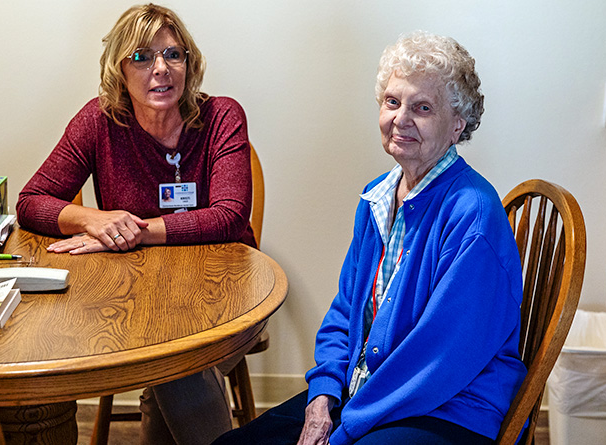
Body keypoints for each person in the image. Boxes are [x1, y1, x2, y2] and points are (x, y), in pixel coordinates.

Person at [213, 31, 527, 445]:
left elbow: (439, 360)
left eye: (423, 108)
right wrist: (323, 394)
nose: (400, 119)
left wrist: (348, 428)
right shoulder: (379, 196)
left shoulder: (473, 216)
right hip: (371, 392)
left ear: (457, 125)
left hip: (450, 409)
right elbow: (346, 311)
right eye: (392, 102)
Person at [17, 3, 255, 445]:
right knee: (171, 366)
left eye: (173, 55)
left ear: (190, 63)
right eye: (142, 57)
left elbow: (229, 217)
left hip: (227, 292)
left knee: (173, 363)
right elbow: (31, 202)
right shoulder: (98, 121)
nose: (160, 69)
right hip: (138, 298)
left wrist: (134, 231)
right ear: (119, 69)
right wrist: (94, 218)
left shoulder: (222, 116)